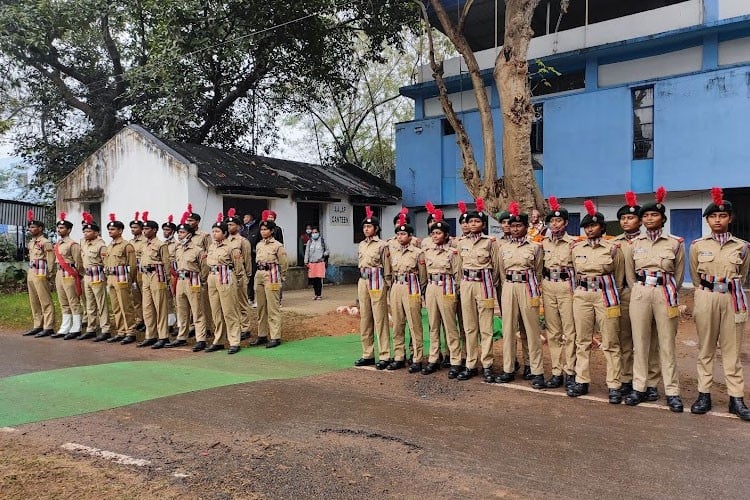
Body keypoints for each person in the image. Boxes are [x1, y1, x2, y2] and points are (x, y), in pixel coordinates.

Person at [688, 187, 750, 420]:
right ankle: (704, 394)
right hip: (706, 296)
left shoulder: (742, 247)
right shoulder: (697, 245)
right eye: (713, 216)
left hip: (731, 298)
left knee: (732, 350)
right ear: (707, 220)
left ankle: (736, 399)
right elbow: (695, 275)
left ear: (730, 218)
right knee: (706, 348)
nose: (717, 220)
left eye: (722, 216)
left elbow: (742, 274)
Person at [623, 188, 686, 412]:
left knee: (666, 343)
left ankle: (671, 390)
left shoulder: (675, 243)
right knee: (640, 342)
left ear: (663, 218)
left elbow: (678, 275)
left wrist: (666, 289)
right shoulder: (633, 244)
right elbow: (630, 274)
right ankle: (640, 387)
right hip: (640, 292)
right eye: (646, 216)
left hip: (664, 292)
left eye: (654, 215)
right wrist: (638, 289)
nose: (650, 219)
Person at [567, 201, 624, 402]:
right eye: (587, 227)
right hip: (582, 295)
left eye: (593, 226)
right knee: (582, 340)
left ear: (602, 227)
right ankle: (582, 380)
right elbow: (574, 271)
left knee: (610, 340)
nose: (590, 229)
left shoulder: (613, 248)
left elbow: (619, 276)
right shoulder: (576, 248)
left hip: (605, 295)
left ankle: (614, 384)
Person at [613, 192, 662, 399]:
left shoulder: (647, 242)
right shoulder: (614, 242)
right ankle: (626, 377)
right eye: (623, 218)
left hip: (645, 293)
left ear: (639, 221)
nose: (626, 221)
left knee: (649, 339)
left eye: (630, 218)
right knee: (624, 338)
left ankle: (650, 382)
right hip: (623, 294)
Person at [495, 202, 545, 389]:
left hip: (527, 286)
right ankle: (508, 369)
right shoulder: (503, 248)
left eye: (518, 226)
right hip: (509, 287)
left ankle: (534, 369)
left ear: (525, 227)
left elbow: (538, 270)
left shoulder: (535, 247)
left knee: (531, 330)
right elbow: (501, 271)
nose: (514, 229)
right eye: (512, 225)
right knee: (508, 329)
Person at [456, 198, 501, 382]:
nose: (473, 224)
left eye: (477, 221)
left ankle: (488, 365)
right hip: (467, 284)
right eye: (470, 221)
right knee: (469, 326)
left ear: (483, 224)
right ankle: (471, 364)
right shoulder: (461, 243)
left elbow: (497, 267)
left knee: (486, 327)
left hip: (484, 284)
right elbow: (459, 267)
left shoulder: (490, 242)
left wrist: (492, 283)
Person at [539, 197, 577, 389]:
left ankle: (570, 371)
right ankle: (556, 372)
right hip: (548, 286)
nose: (554, 224)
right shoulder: (543, 243)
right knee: (553, 332)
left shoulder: (573, 244)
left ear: (566, 223)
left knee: (570, 331)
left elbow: (578, 269)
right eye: (552, 221)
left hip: (566, 287)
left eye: (558, 221)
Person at [422, 208, 461, 376]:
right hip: (432, 287)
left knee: (450, 326)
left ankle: (455, 360)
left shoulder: (452, 253)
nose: (435, 236)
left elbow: (457, 274)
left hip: (447, 287)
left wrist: (457, 293)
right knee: (433, 325)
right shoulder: (427, 252)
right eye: (433, 233)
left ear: (446, 235)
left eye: (439, 233)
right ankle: (433, 359)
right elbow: (424, 274)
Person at [387, 214, 427, 372]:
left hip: (412, 287)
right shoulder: (394, 251)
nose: (399, 236)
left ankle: (417, 357)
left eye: (403, 234)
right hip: (397, 286)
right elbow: (390, 271)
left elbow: (423, 277)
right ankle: (399, 356)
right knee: (397, 324)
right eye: (397, 234)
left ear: (410, 236)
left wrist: (421, 293)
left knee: (414, 324)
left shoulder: (418, 253)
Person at [353, 207, 391, 368]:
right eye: (364, 227)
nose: (366, 229)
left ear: (376, 229)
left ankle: (384, 355)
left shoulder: (383, 245)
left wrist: (387, 285)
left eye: (369, 227)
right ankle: (367, 354)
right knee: (365, 318)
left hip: (377, 280)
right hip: (363, 280)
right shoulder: (361, 244)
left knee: (380, 318)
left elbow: (387, 267)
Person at [168, 213, 208, 351]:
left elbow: (204, 268)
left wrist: (201, 281)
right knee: (182, 310)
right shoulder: (178, 249)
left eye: (183, 232)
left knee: (197, 311)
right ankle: (181, 337)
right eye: (179, 232)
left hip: (193, 279)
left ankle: (201, 338)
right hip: (180, 280)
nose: (180, 234)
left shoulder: (198, 250)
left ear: (190, 234)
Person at [205, 213, 243, 354]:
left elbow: (238, 266)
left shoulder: (231, 247)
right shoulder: (212, 246)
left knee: (229, 310)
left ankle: (234, 341)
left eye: (217, 231)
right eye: (213, 231)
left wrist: (237, 280)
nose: (214, 234)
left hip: (225, 275)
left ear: (225, 233)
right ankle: (219, 339)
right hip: (212, 276)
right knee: (216, 310)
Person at [249, 215, 288, 348]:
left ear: (272, 231)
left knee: (273, 307)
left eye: (266, 229)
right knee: (261, 307)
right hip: (259, 274)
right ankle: (262, 334)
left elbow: (284, 263)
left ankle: (275, 336)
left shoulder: (277, 246)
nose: (263, 232)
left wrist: (281, 277)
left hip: (272, 274)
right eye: (262, 229)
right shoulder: (259, 244)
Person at [137, 213, 172, 349]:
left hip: (157, 275)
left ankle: (163, 336)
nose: (144, 231)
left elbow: (166, 263)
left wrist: (167, 279)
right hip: (146, 275)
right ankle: (150, 335)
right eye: (144, 229)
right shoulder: (143, 244)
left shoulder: (160, 245)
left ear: (154, 230)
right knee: (147, 307)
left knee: (160, 307)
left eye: (147, 229)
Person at [104, 213, 138, 345]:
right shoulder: (110, 246)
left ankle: (131, 331)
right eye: (109, 229)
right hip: (111, 278)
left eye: (113, 229)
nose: (110, 231)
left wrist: (131, 280)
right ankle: (121, 331)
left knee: (126, 306)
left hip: (122, 277)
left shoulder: (126, 245)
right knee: (116, 306)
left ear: (120, 231)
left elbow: (133, 265)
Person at [22, 210, 55, 338]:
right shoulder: (31, 242)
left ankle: (49, 326)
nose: (30, 229)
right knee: (34, 300)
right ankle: (37, 325)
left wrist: (50, 273)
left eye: (33, 227)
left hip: (41, 271)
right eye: (30, 227)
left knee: (44, 299)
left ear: (40, 228)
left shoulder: (45, 242)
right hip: (31, 271)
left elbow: (50, 259)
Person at [79, 213, 111, 341]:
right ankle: (91, 328)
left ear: (96, 233)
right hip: (87, 275)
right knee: (89, 303)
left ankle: (105, 329)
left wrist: (106, 277)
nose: (86, 233)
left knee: (101, 303)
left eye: (89, 231)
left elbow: (106, 263)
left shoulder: (100, 245)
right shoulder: (84, 243)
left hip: (97, 274)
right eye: (85, 231)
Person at [51, 212, 83, 339]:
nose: (59, 230)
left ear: (69, 230)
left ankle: (76, 327)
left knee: (73, 301)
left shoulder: (73, 244)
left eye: (62, 228)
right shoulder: (58, 244)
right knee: (63, 301)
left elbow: (78, 262)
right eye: (58, 228)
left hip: (69, 274)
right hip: (59, 273)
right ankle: (65, 327)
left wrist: (78, 275)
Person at [225, 208, 253, 339]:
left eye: (232, 224)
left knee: (242, 302)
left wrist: (247, 276)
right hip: (226, 275)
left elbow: (247, 260)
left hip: (239, 275)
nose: (229, 226)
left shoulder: (243, 241)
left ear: (238, 226)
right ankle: (234, 326)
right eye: (228, 224)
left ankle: (245, 327)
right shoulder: (223, 241)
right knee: (230, 302)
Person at [129, 212, 147, 332]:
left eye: (135, 227)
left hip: (142, 271)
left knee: (145, 297)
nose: (133, 229)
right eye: (132, 228)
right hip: (133, 270)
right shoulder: (130, 242)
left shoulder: (145, 241)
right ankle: (139, 319)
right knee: (136, 297)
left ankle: (147, 320)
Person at [162, 215, 178, 334]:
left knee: (177, 300)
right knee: (168, 300)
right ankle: (170, 323)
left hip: (174, 273)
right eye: (164, 230)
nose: (165, 232)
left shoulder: (177, 244)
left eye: (167, 230)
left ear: (173, 231)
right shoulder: (163, 244)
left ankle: (181, 324)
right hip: (164, 273)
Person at [304, 226, 329, 300]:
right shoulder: (310, 241)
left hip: (320, 263)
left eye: (316, 232)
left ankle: (319, 294)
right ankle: (315, 294)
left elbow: (327, 250)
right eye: (313, 232)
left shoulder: (322, 241)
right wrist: (306, 261)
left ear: (318, 233)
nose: (314, 234)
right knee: (314, 280)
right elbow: (307, 252)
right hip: (312, 263)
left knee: (319, 279)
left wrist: (324, 254)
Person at [244, 213, 261, 307]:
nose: (244, 219)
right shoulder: (243, 230)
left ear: (250, 218)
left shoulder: (256, 229)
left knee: (255, 278)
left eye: (245, 217)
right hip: (245, 258)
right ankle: (250, 297)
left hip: (254, 257)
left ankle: (257, 298)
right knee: (248, 278)